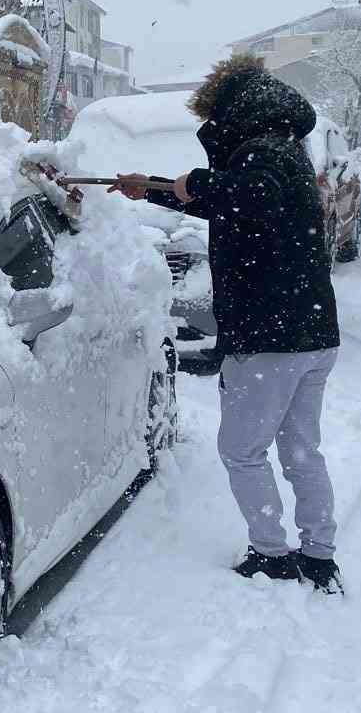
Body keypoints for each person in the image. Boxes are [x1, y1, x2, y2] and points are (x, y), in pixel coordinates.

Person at [111, 54, 344, 593]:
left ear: (230, 110)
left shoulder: (262, 152)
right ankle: (319, 552)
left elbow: (248, 197)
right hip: (310, 334)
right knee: (301, 449)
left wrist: (193, 180)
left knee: (242, 451)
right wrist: (157, 188)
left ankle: (271, 553)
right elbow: (238, 202)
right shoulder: (286, 148)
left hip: (269, 338)